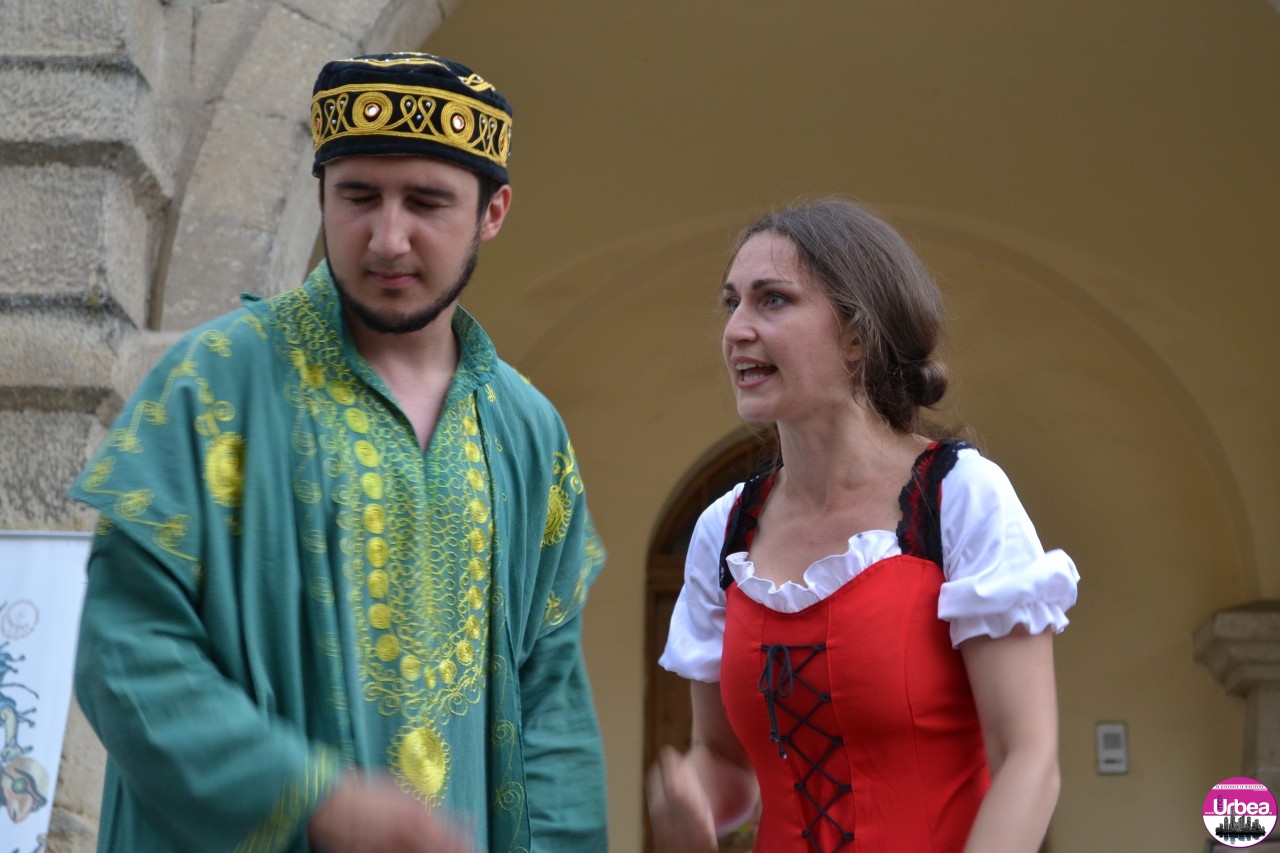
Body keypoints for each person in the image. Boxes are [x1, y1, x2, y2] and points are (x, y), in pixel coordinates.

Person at [70, 52, 607, 853]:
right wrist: (308, 795)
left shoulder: (529, 432)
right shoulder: (212, 382)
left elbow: (552, 711)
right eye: (358, 197)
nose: (387, 238)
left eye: (426, 202)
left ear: (492, 211)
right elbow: (124, 650)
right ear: (321, 194)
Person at [646, 198, 1079, 852]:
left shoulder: (956, 495)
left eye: (772, 300)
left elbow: (1029, 759)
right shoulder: (724, 531)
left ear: (857, 334)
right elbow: (725, 759)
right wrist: (691, 809)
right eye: (731, 302)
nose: (736, 329)